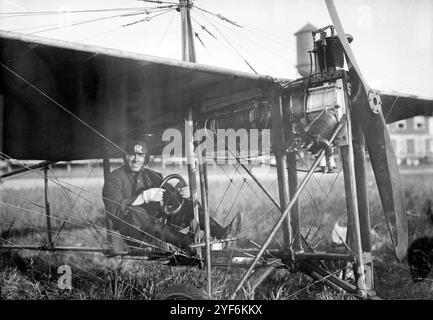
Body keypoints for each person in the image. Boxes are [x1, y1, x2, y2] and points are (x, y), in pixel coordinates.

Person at [102, 139, 241, 252]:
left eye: (140, 155)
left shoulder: (152, 175)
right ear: (125, 156)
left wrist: (183, 194)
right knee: (138, 213)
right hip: (133, 233)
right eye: (132, 154)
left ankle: (220, 233)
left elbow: (171, 196)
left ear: (145, 158)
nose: (136, 159)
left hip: (159, 228)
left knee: (186, 203)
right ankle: (190, 244)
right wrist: (143, 197)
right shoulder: (115, 178)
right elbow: (112, 209)